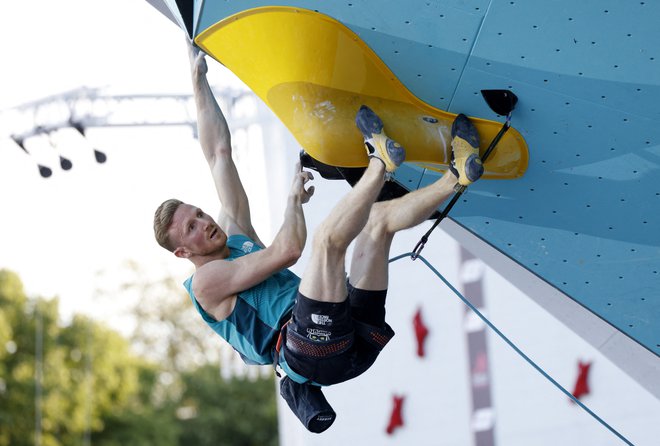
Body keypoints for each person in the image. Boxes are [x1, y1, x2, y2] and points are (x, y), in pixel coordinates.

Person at [153, 44, 483, 433]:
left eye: (199, 213)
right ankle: (379, 161)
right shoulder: (207, 283)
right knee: (328, 242)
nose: (204, 221)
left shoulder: (234, 235)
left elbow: (218, 154)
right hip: (308, 352)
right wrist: (293, 200)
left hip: (348, 342)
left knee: (377, 221)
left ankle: (458, 173)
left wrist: (197, 81)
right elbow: (288, 250)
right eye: (191, 227)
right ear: (183, 251)